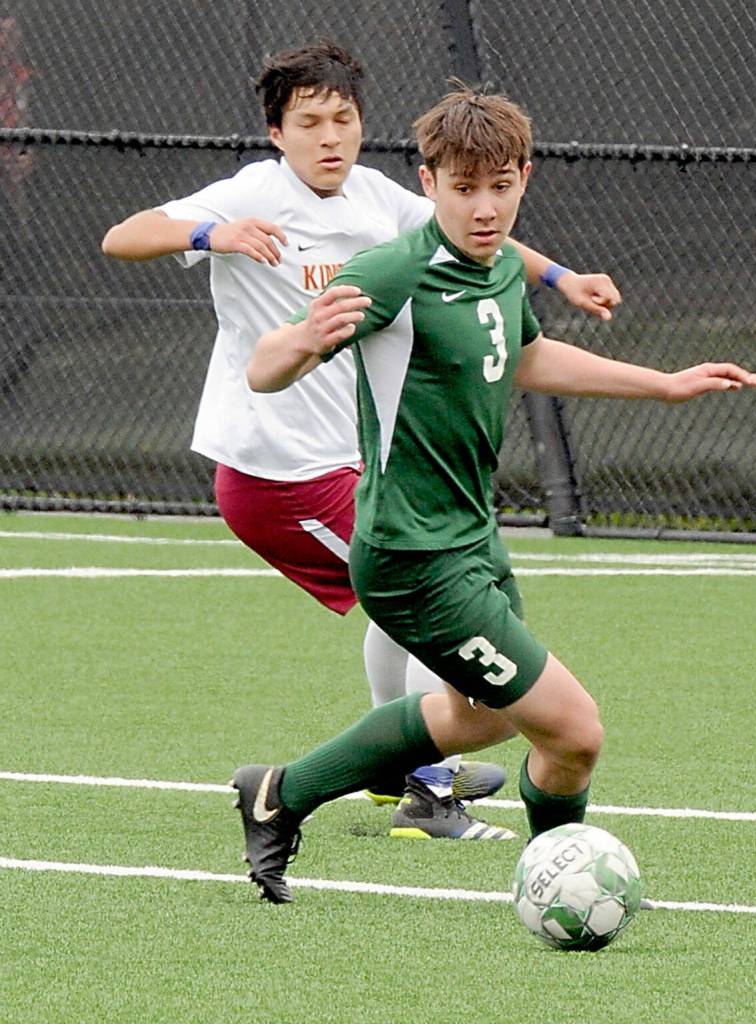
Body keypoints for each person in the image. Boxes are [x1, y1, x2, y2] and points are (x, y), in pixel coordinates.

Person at [235, 84, 756, 903]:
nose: (485, 207)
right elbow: (264, 370)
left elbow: (524, 359)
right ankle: (556, 880)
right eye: (464, 187)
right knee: (573, 729)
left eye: (501, 186)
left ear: (524, 177)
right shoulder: (394, 271)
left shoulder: (499, 267)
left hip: (471, 541)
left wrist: (662, 385)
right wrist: (300, 339)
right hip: (413, 556)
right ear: (427, 182)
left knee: (483, 718)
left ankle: (279, 791)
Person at [101, 42, 622, 839]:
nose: (329, 137)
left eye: (342, 118)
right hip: (277, 473)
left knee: (406, 611)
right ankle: (418, 786)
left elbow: (475, 228)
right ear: (277, 133)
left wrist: (558, 279)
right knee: (425, 595)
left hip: (345, 460)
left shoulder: (376, 198)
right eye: (308, 122)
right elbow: (124, 236)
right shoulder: (252, 191)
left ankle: (402, 768)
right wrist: (212, 235)